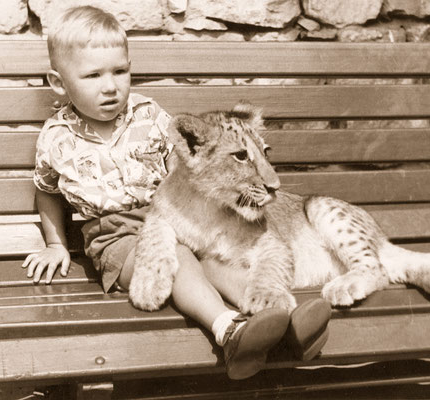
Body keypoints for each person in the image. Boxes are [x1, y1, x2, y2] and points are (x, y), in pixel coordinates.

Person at [21, 5, 329, 380]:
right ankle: (228, 331)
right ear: (58, 81)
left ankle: (280, 320)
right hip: (115, 237)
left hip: (169, 216)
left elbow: (184, 170)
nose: (110, 86)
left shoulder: (149, 115)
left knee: (218, 259)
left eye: (120, 71)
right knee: (181, 261)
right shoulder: (56, 137)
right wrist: (55, 244)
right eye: (93, 75)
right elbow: (47, 192)